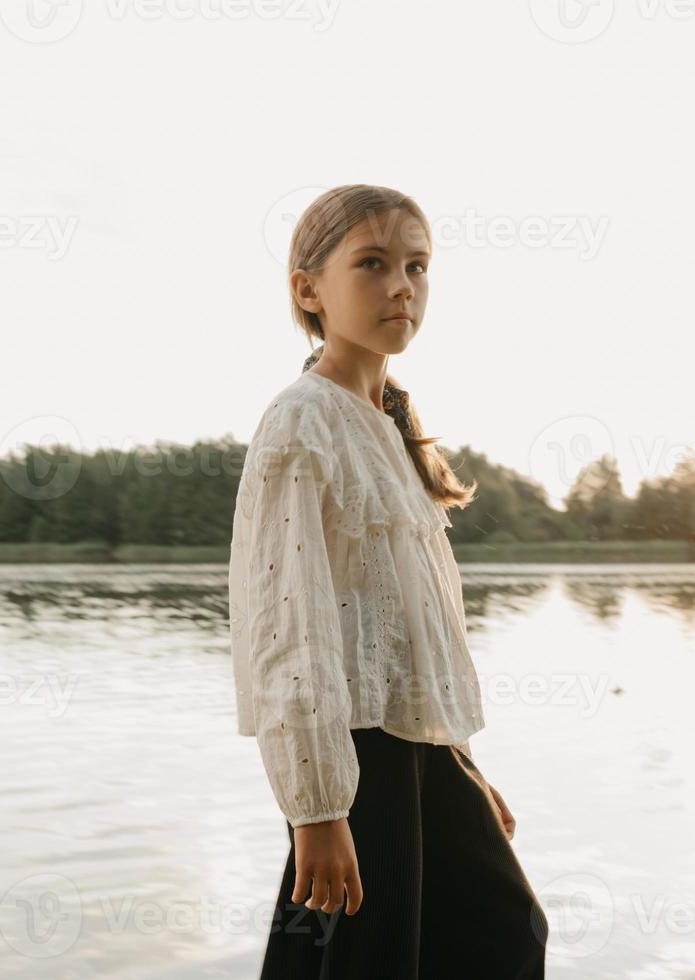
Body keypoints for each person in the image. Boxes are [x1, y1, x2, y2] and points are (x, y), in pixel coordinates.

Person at [227, 184, 549, 977]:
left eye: (417, 266)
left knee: (503, 932)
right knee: (364, 961)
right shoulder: (302, 419)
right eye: (371, 264)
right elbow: (287, 622)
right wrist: (317, 807)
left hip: (421, 746)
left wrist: (463, 768)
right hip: (353, 754)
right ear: (309, 288)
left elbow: (416, 628)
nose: (401, 285)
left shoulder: (389, 427)